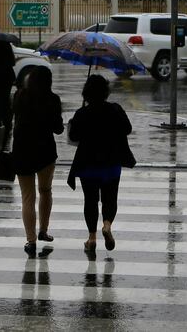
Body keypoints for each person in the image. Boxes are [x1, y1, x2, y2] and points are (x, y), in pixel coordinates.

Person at [67, 74, 135, 252]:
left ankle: (91, 239)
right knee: (110, 198)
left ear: (86, 93)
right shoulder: (115, 109)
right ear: (106, 92)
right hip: (111, 163)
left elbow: (73, 136)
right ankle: (106, 225)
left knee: (90, 201)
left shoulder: (82, 113)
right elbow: (128, 129)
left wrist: (76, 122)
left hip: (88, 165)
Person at [12, 66, 64, 255]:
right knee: (45, 190)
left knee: (28, 197)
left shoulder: (20, 96)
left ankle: (30, 240)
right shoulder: (53, 99)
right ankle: (43, 230)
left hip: (22, 150)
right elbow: (58, 129)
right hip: (45, 152)